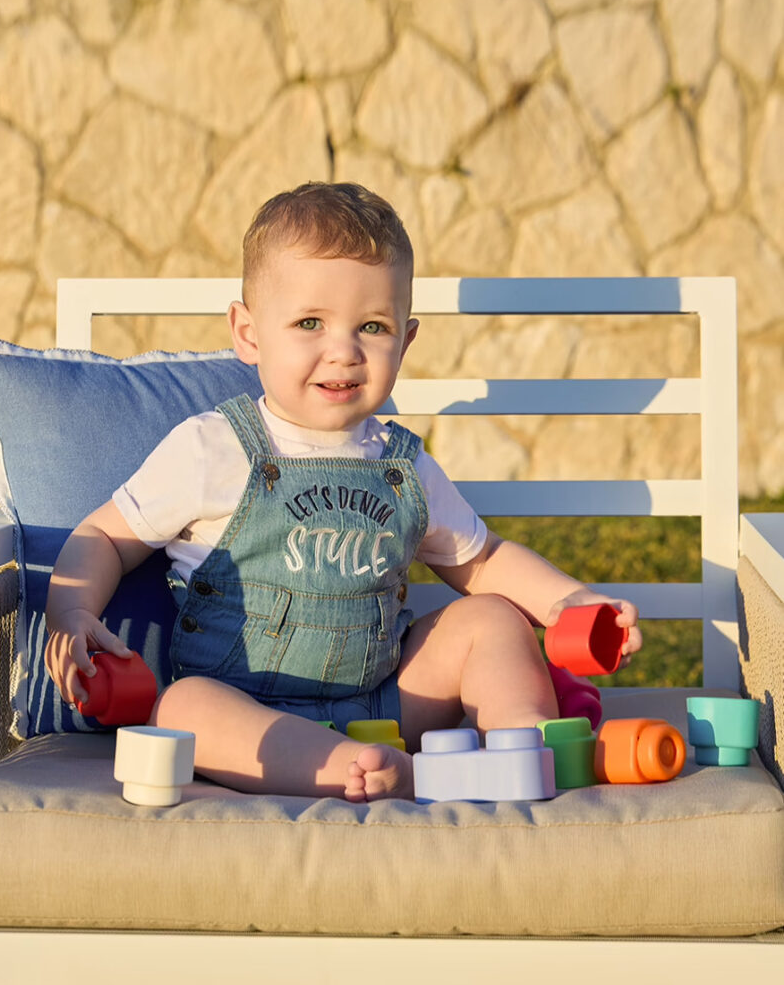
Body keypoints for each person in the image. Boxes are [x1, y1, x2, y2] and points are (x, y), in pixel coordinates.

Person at [45, 182, 642, 803]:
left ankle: (524, 747)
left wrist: (566, 602)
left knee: (491, 618)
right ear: (247, 334)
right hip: (248, 710)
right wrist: (71, 614)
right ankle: (352, 768)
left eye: (373, 327)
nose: (344, 352)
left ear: (405, 343)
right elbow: (105, 538)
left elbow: (483, 561)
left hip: (385, 699)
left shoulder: (405, 466)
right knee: (182, 709)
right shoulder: (212, 448)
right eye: (310, 322)